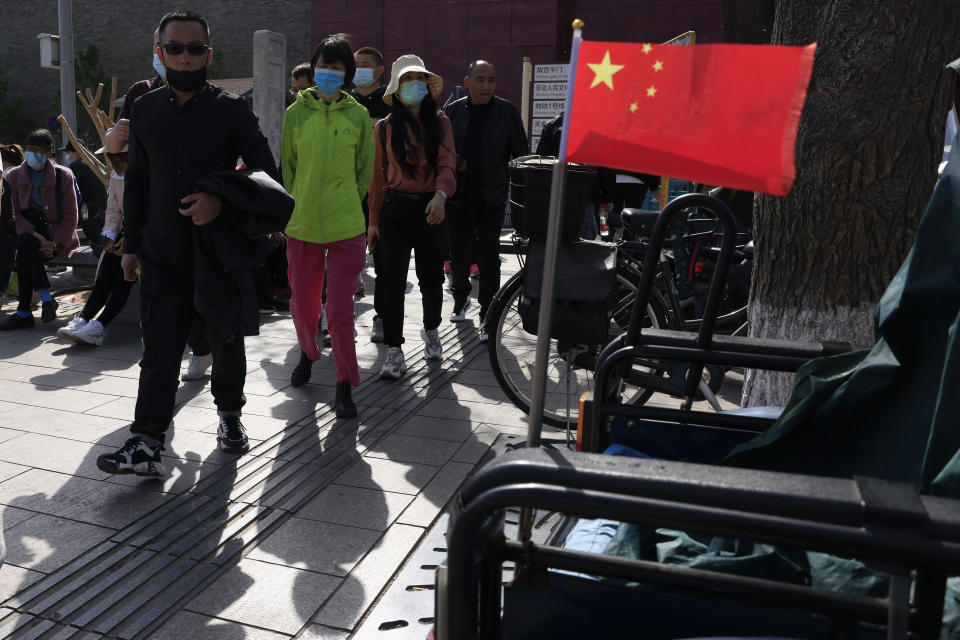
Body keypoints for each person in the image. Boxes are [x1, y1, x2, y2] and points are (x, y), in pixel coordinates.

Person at [96, 10, 280, 477]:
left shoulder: (230, 109)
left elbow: (265, 175)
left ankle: (230, 415)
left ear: (208, 55)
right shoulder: (145, 109)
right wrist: (131, 244)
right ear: (159, 53)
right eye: (174, 48)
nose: (184, 57)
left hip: (217, 251)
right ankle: (147, 440)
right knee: (158, 347)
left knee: (226, 339)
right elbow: (136, 181)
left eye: (194, 48)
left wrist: (220, 197)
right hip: (160, 249)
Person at [281, 34, 373, 417]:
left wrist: (345, 204)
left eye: (335, 68)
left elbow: (363, 173)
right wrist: (298, 204)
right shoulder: (295, 114)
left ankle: (344, 383)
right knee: (303, 309)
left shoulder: (359, 116)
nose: (327, 73)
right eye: (322, 66)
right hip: (302, 228)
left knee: (339, 312)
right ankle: (308, 353)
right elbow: (288, 169)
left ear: (347, 73)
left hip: (347, 227)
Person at [367, 54, 456, 379]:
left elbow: (447, 162)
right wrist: (373, 220)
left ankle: (431, 329)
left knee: (431, 280)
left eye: (418, 79)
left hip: (431, 208)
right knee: (390, 282)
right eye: (406, 80)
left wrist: (441, 195)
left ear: (427, 85)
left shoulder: (442, 122)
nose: (413, 85)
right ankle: (394, 350)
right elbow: (377, 178)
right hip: (394, 210)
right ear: (396, 87)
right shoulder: (384, 129)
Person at [444, 60, 527, 341]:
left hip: (492, 196)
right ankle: (460, 298)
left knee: (489, 257)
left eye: (491, 80)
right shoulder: (452, 112)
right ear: (467, 83)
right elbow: (440, 153)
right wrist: (456, 162)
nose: (486, 85)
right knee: (459, 254)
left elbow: (521, 156)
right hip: (459, 197)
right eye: (480, 80)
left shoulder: (507, 112)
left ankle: (488, 313)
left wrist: (523, 197)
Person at [0, 129, 79, 330]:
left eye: (37, 150)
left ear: (49, 152)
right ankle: (44, 299)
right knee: (26, 245)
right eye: (28, 149)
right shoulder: (14, 176)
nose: (31, 154)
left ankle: (25, 312)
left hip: (58, 235)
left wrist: (54, 242)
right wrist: (38, 237)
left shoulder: (64, 176)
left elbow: (71, 216)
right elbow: (15, 214)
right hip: (30, 232)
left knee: (25, 254)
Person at [57, 148, 135, 345]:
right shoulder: (118, 175)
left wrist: (132, 240)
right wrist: (108, 236)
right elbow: (114, 210)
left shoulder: (148, 172)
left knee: (122, 280)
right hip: (123, 233)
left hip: (144, 237)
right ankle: (84, 318)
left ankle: (99, 325)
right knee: (105, 275)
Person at [350, 45, 391, 339]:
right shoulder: (344, 104)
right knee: (347, 261)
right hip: (348, 192)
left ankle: (382, 316)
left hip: (382, 192)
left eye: (366, 65)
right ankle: (341, 319)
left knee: (384, 263)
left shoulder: (391, 104)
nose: (360, 70)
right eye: (356, 65)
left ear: (380, 70)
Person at [62, 141, 108, 252]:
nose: (68, 156)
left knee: (90, 228)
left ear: (76, 152)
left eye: (69, 152)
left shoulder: (76, 165)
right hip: (101, 205)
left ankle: (99, 248)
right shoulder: (93, 162)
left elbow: (72, 189)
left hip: (86, 206)